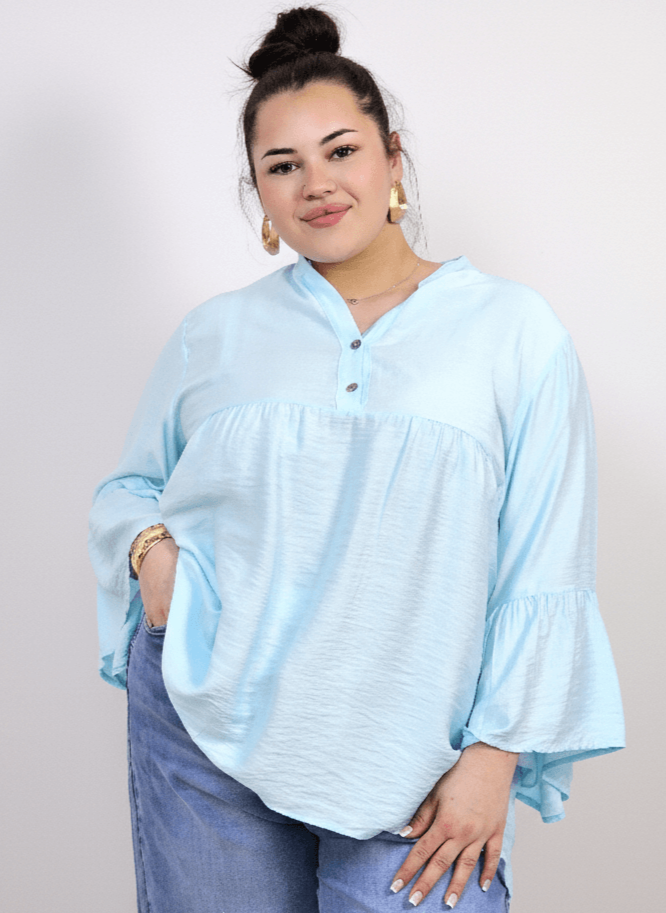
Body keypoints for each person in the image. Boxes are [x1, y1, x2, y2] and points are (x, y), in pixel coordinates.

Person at [88, 6, 625, 912]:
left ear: (393, 158)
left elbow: (545, 559)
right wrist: (152, 553)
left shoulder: (512, 332)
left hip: (417, 755)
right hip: (206, 719)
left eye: (341, 151)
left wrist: (495, 755)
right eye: (283, 165)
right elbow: (131, 486)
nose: (317, 184)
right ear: (260, 194)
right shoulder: (215, 334)